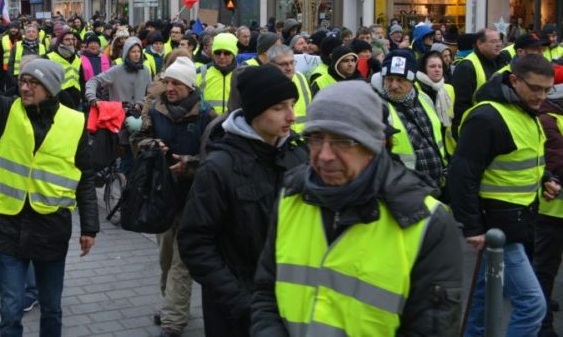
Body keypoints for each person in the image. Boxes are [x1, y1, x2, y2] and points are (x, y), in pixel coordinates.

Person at [250, 81, 463, 336]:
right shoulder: (290, 197)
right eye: (316, 138)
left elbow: (430, 329)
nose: (325, 155)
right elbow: (265, 294)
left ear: (375, 144)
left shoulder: (427, 223)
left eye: (343, 141)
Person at [0, 3, 98, 337]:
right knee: (11, 310)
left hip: (51, 227)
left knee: (52, 309)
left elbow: (85, 176)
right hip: (9, 225)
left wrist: (89, 226)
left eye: (33, 82)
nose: (25, 87)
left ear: (51, 88)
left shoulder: (74, 122)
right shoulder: (7, 110)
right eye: (22, 81)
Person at [178, 65, 308, 336]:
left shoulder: (298, 155)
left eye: (293, 105)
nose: (292, 116)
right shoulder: (219, 166)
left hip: (293, 307)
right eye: (279, 108)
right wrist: (242, 302)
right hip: (237, 315)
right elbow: (196, 243)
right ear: (255, 111)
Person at [450, 54, 559, 336]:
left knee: (484, 299)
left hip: (516, 223)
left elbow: (520, 158)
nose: (541, 96)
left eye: (547, 89)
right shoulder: (488, 116)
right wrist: (472, 226)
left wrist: (545, 179)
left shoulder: (525, 111)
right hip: (498, 228)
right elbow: (461, 174)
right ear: (514, 80)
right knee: (532, 305)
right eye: (535, 88)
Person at [131, 56, 217, 337]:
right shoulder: (155, 111)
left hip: (194, 197)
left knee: (183, 259)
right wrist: (149, 145)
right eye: (167, 81)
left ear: (189, 86)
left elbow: (215, 156)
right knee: (166, 258)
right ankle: (172, 304)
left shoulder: (207, 115)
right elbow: (135, 140)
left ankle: (172, 319)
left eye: (176, 83)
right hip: (162, 196)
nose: (169, 87)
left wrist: (189, 164)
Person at [379, 50, 447, 188]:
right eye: (389, 79)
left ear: (411, 81)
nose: (393, 85)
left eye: (400, 80)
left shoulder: (424, 99)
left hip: (438, 183)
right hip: (405, 188)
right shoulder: (378, 107)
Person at [534, 84, 563, 336]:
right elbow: (557, 163)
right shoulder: (549, 121)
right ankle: (543, 324)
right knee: (545, 268)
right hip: (553, 210)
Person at [452, 27, 505, 136]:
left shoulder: (500, 62)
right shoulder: (467, 66)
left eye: (500, 41)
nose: (499, 44)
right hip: (476, 128)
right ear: (480, 43)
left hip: (495, 125)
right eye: (493, 41)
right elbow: (461, 106)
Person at [268, 44, 311, 133]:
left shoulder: (300, 77)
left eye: (292, 62)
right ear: (271, 65)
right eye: (283, 64)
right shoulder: (264, 83)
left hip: (303, 139)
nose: (290, 68)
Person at [195, 33, 238, 114]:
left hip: (233, 124)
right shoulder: (200, 72)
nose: (222, 56)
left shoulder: (242, 74)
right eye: (218, 52)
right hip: (206, 123)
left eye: (227, 53)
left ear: (234, 54)